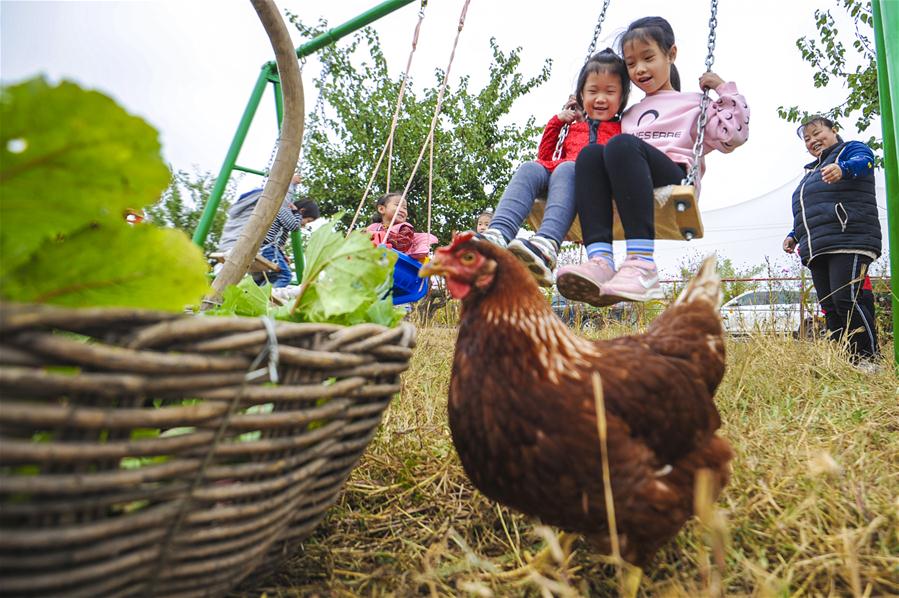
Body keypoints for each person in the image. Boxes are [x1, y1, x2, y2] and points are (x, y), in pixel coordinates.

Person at [557, 17, 749, 305]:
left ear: (671, 54)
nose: (640, 69)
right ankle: (600, 261)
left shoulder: (695, 102)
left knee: (621, 145)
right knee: (591, 153)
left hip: (674, 174)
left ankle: (642, 264)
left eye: (648, 58)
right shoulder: (630, 114)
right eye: (631, 63)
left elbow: (734, 135)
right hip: (633, 183)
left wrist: (724, 90)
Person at [479, 49, 630, 286]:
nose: (600, 98)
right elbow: (545, 155)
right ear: (581, 95)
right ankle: (497, 234)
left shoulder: (622, 128)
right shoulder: (574, 125)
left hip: (589, 181)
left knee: (567, 168)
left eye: (610, 92)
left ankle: (546, 245)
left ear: (622, 98)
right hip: (560, 171)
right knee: (530, 167)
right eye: (592, 91)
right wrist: (559, 121)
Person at [782, 116, 881, 366]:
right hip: (817, 246)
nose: (813, 140)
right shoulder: (811, 172)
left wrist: (844, 168)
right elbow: (810, 210)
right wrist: (794, 235)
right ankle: (846, 360)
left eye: (817, 133)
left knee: (846, 299)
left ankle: (869, 359)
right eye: (807, 139)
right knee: (830, 307)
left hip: (849, 236)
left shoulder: (850, 151)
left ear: (834, 130)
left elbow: (865, 162)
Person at [218, 174, 303, 288]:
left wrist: (281, 255)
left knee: (261, 277)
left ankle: (255, 294)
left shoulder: (245, 209)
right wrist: (291, 184)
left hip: (229, 245)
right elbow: (293, 223)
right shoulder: (273, 206)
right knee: (285, 275)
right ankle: (266, 296)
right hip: (249, 245)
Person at [366, 192, 437, 262]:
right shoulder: (373, 227)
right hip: (373, 259)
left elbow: (403, 244)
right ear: (381, 209)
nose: (402, 210)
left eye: (405, 208)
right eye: (398, 205)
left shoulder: (404, 227)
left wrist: (384, 236)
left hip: (399, 261)